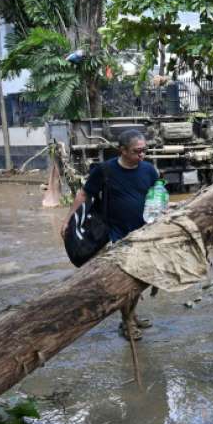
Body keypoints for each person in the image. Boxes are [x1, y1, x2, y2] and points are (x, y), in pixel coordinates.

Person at [61, 129, 159, 338]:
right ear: (122, 150)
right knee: (126, 282)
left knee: (141, 280)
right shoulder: (105, 171)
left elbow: (156, 196)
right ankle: (127, 323)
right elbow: (84, 194)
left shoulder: (149, 170)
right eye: (136, 151)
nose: (142, 155)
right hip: (116, 236)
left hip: (143, 234)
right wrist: (69, 220)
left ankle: (132, 316)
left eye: (144, 151)